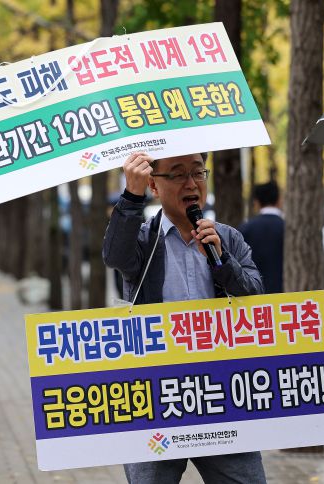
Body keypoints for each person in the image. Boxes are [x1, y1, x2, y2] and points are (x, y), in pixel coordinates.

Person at [103, 151, 267, 484]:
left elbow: (256, 296)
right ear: (153, 185)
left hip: (221, 391)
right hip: (156, 395)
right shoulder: (143, 239)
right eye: (177, 174)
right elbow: (115, 255)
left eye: (198, 172)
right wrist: (131, 195)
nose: (191, 184)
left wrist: (223, 261)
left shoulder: (227, 238)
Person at [238, 182, 285, 294]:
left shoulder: (245, 229)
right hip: (287, 296)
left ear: (256, 202)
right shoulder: (289, 229)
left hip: (254, 296)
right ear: (279, 200)